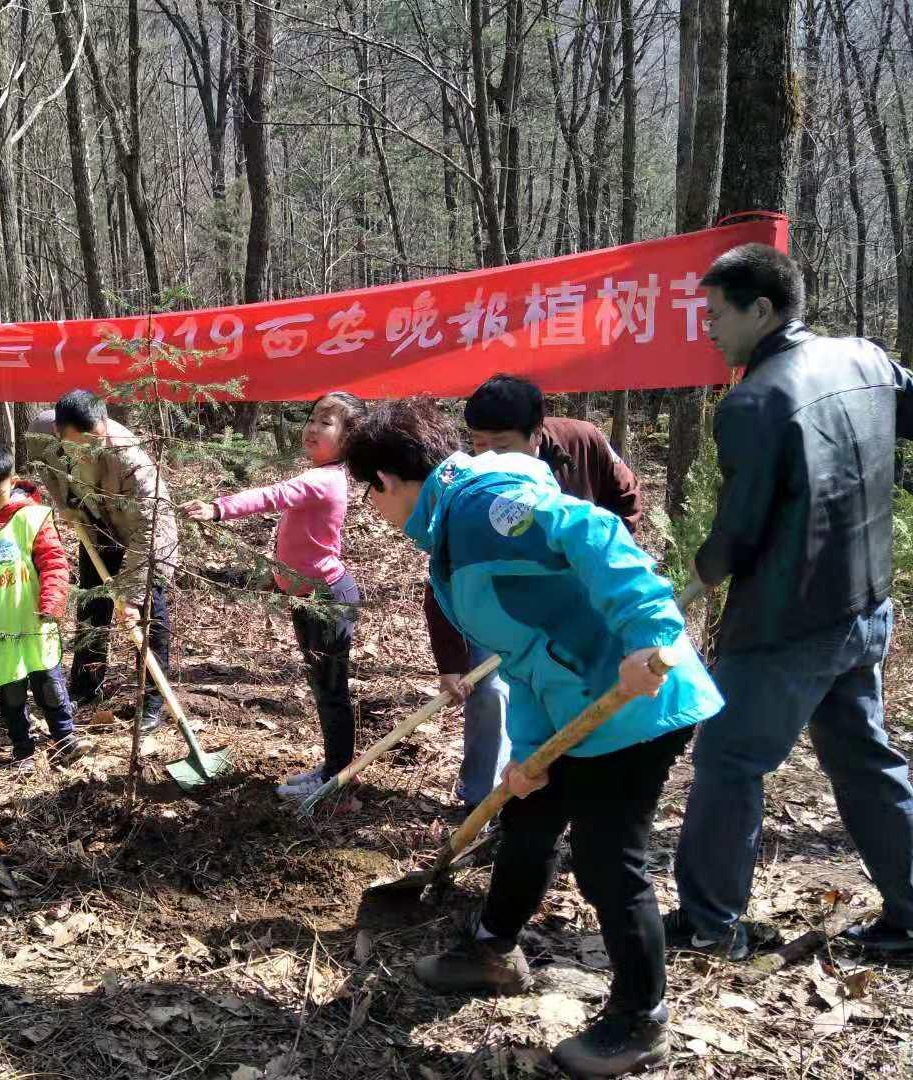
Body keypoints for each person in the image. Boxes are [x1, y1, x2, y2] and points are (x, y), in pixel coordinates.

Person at [345, 397, 722, 1078]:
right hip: (577, 704)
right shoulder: (455, 526)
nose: (373, 514)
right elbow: (528, 654)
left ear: (387, 483)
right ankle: (492, 949)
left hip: (634, 701)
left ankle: (641, 1020)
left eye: (367, 499)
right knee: (526, 814)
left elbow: (597, 534)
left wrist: (649, 635)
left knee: (610, 861)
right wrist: (526, 748)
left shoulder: (485, 508)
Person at [665, 243, 913, 959]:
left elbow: (738, 533)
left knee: (728, 761)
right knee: (864, 757)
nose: (706, 328)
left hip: (789, 621)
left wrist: (698, 578)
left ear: (763, 310)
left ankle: (710, 924)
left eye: (716, 314)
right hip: (864, 604)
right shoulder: (864, 357)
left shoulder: (755, 399)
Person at [429, 375, 644, 812]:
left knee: (578, 691)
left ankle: (571, 792)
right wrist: (450, 660)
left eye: (502, 445)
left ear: (536, 434)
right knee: (491, 690)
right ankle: (483, 798)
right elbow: (445, 566)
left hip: (578, 603)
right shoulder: (468, 482)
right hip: (506, 608)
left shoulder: (585, 443)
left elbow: (625, 499)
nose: (488, 456)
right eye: (478, 443)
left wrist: (595, 560)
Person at [181, 391, 368, 801]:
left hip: (327, 598)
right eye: (313, 418)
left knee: (332, 689)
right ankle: (333, 766)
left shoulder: (323, 480)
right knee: (323, 687)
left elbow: (272, 495)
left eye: (326, 422)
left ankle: (338, 777)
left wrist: (218, 508)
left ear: (349, 438)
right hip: (308, 599)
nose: (313, 427)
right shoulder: (321, 475)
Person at [25, 390, 179, 733]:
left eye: (98, 438)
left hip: (143, 536)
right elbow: (46, 467)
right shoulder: (41, 431)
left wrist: (134, 596)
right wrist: (64, 502)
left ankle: (152, 702)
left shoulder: (131, 461)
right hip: (96, 525)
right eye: (84, 444)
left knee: (149, 617)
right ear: (60, 435)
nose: (96, 447)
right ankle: (85, 686)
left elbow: (154, 529)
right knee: (92, 607)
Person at [0, 441, 91, 766]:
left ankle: (65, 739)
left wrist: (51, 603)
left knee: (49, 683)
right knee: (10, 693)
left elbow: (54, 563)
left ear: (13, 481)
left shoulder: (32, 518)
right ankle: (23, 748)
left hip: (34, 622)